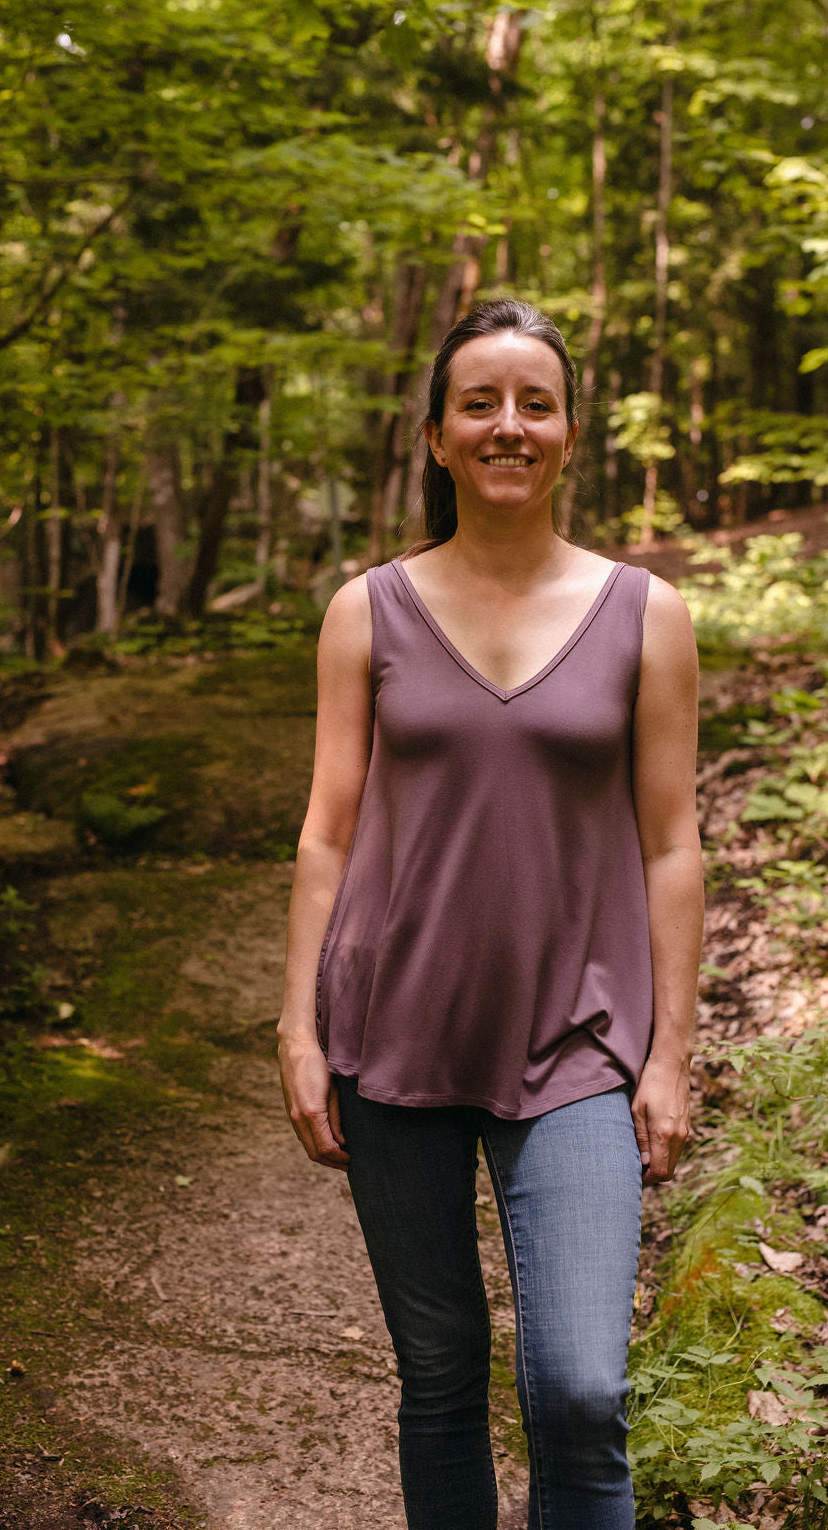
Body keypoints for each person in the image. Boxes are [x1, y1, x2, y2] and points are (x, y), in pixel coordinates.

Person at [277, 297, 703, 1530]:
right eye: (480, 403)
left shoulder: (646, 613)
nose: (507, 426)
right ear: (434, 438)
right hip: (389, 1037)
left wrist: (671, 1054)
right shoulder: (368, 609)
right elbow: (328, 833)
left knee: (578, 1387)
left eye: (534, 403)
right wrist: (299, 1031)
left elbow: (672, 844)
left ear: (571, 434)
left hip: (579, 1042)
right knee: (441, 1377)